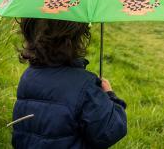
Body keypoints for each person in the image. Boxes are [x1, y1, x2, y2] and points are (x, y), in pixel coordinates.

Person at [11, 18, 127, 149]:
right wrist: (110, 96)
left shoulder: (27, 76)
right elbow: (110, 131)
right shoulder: (85, 85)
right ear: (76, 38)